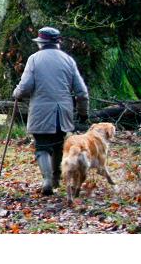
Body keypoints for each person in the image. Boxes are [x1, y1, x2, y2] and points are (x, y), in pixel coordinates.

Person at [13, 26, 89, 196]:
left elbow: (25, 87)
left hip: (40, 111)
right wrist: (83, 114)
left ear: (40, 43)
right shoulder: (68, 60)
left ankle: (47, 180)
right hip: (63, 112)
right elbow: (82, 93)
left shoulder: (34, 59)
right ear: (57, 43)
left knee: (42, 147)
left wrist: (16, 93)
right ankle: (55, 180)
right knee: (57, 145)